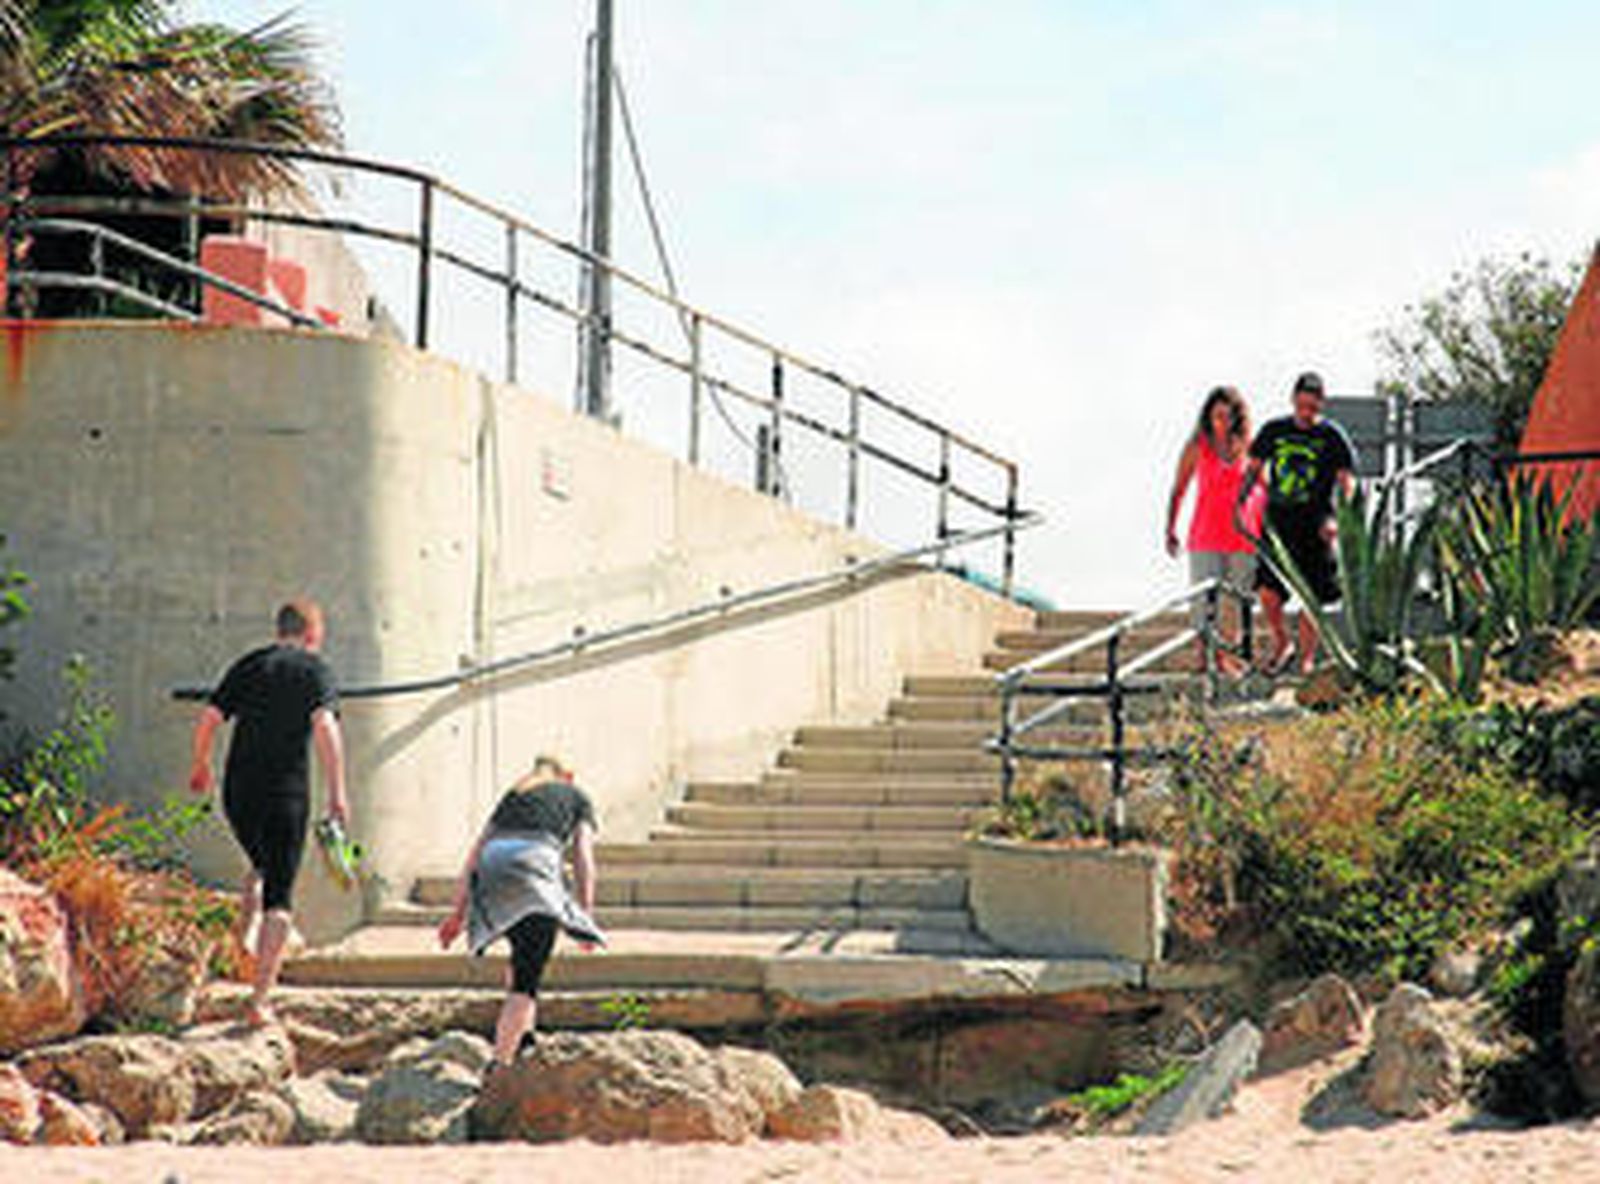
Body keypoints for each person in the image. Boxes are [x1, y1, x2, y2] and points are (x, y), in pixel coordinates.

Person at [188, 599, 348, 1026]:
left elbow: (208, 718)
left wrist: (201, 764)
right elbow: (326, 730)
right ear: (313, 633)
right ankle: (259, 1000)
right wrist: (338, 794)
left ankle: (244, 938)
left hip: (238, 792)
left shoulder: (249, 665)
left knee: (259, 863)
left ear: (280, 629)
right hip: (284, 795)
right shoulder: (316, 671)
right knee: (280, 896)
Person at [437, 755, 603, 1068]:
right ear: (566, 776)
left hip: (493, 867)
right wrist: (585, 915)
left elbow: (475, 852)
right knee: (525, 982)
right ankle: (499, 1066)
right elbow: (583, 857)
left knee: (521, 956)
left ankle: (524, 1040)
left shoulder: (514, 795)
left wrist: (457, 912)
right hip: (534, 866)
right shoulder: (577, 796)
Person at [1236, 371, 1357, 675]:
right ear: (1293, 400)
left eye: (1312, 408)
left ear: (1321, 405)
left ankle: (1306, 658)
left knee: (1314, 594)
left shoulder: (1332, 436)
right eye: (1302, 406)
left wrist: (1343, 519)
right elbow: (1253, 469)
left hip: (1317, 522)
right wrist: (1240, 504)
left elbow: (1347, 480)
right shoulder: (1274, 430)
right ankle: (1281, 642)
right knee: (1267, 588)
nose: (1306, 413)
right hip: (1279, 522)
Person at [1164, 385, 1258, 674]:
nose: (1222, 423)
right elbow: (1179, 488)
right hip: (1206, 534)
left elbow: (1262, 487)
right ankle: (1203, 657)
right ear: (1207, 416)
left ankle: (1227, 659)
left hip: (1242, 536)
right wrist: (1170, 527)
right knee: (1204, 601)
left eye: (1228, 417)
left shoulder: (1248, 446)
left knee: (1233, 603)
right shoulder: (1197, 446)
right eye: (1217, 416)